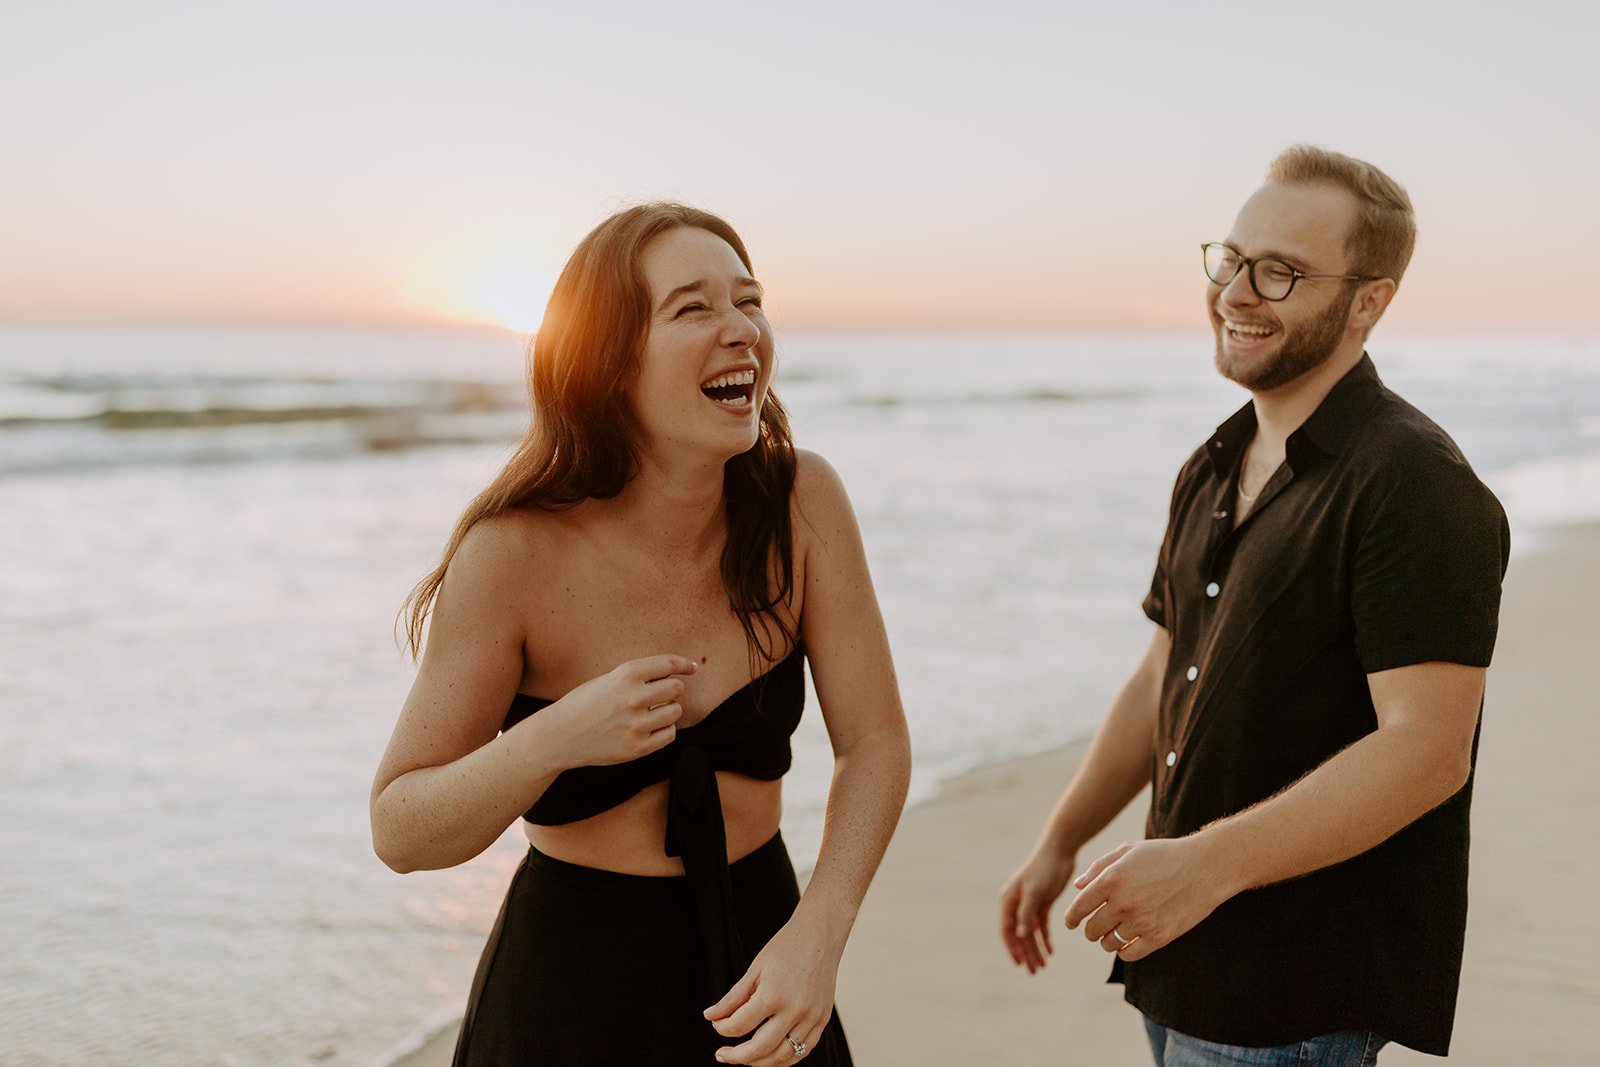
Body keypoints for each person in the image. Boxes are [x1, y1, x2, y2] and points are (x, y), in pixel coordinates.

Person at [999, 146, 1509, 1065]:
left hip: (1295, 992)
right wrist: (1061, 839)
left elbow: (1429, 752)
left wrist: (1199, 865)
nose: (1238, 291)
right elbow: (1165, 668)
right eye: (1231, 259)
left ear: (1370, 301)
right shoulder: (1214, 462)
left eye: (1280, 272)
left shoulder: (1414, 484)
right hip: (1182, 953)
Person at [371, 203, 910, 1066]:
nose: (741, 331)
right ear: (610, 358)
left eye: (749, 301)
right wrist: (552, 738)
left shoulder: (802, 503)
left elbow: (876, 740)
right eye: (694, 308)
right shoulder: (511, 553)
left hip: (768, 965)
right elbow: (399, 827)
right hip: (567, 992)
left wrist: (820, 934)